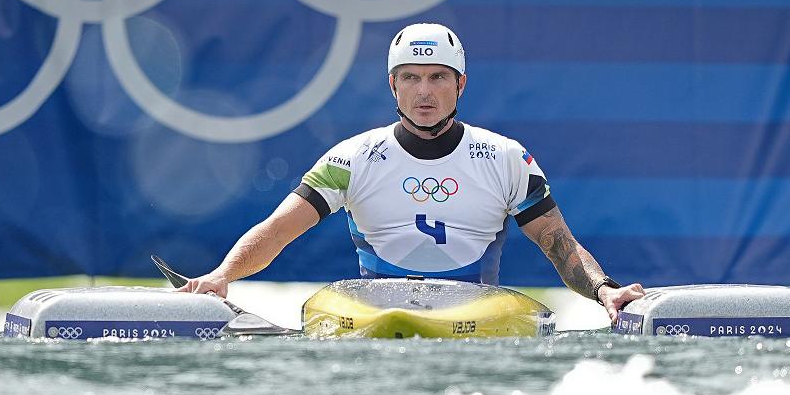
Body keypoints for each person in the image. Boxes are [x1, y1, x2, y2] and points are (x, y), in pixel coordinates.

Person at [179, 22, 645, 322]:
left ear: (460, 84)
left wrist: (605, 290)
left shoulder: (505, 157)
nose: (425, 92)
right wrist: (224, 274)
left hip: (474, 322)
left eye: (438, 77)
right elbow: (278, 230)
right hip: (376, 317)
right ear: (392, 86)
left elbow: (558, 244)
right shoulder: (351, 159)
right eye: (411, 77)